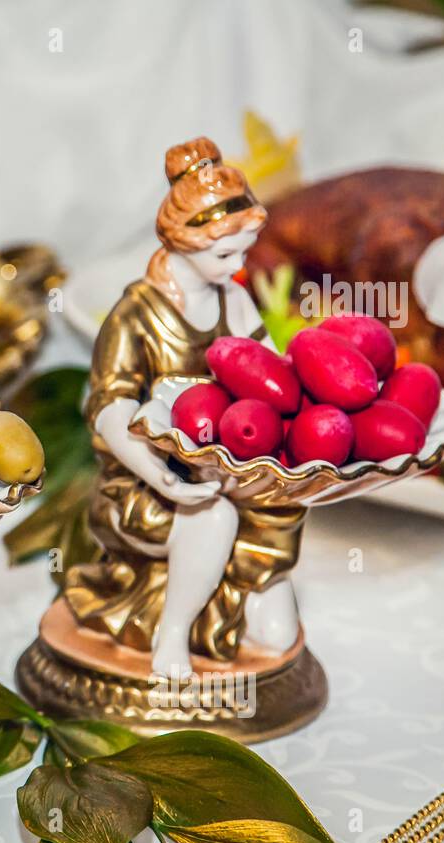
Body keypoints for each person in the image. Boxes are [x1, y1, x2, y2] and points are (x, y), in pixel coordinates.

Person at [64, 137, 303, 679]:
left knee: (278, 635)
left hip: (237, 471)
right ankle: (171, 635)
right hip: (152, 481)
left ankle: (235, 599)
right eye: (226, 254)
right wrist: (165, 479)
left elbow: (271, 381)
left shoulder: (234, 300)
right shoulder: (136, 314)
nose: (239, 266)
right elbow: (109, 410)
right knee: (210, 515)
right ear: (182, 241)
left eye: (245, 250)